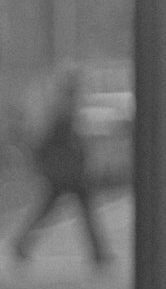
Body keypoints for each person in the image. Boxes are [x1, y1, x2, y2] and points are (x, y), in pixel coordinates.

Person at [12, 66, 112, 271]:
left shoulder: (65, 111)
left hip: (67, 173)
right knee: (78, 214)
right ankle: (98, 254)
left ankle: (22, 244)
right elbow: (54, 143)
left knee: (55, 213)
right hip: (68, 174)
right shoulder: (64, 113)